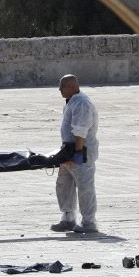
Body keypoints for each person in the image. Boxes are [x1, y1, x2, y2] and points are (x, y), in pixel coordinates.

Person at [50, 74, 100, 234]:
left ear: (72, 87)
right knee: (64, 184)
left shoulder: (82, 103)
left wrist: (77, 156)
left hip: (80, 152)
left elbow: (80, 132)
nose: (59, 89)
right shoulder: (72, 102)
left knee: (85, 187)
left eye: (62, 86)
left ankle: (89, 222)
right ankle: (68, 218)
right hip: (68, 151)